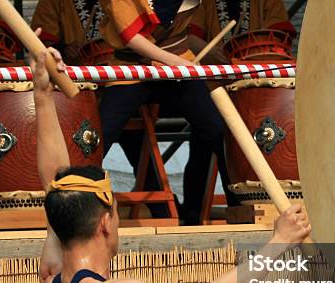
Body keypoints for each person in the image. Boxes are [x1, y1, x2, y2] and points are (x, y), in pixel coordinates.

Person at [32, 48, 311, 283]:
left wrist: (42, 95)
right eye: (116, 214)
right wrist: (280, 242)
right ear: (105, 224)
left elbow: (54, 184)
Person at [97, 0, 240, 225]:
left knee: (218, 130)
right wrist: (171, 61)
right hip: (133, 67)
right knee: (99, 135)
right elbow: (132, 37)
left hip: (180, 57)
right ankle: (80, 207)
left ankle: (239, 207)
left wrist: (180, 58)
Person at [188, 0, 295, 64]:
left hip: (257, 73)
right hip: (217, 77)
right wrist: (212, 52)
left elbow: (280, 36)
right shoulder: (202, 2)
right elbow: (187, 37)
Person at [31, 0, 105, 65]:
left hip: (113, 68)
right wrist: (64, 49)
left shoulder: (114, 3)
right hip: (71, 72)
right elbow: (42, 39)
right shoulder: (51, 2)